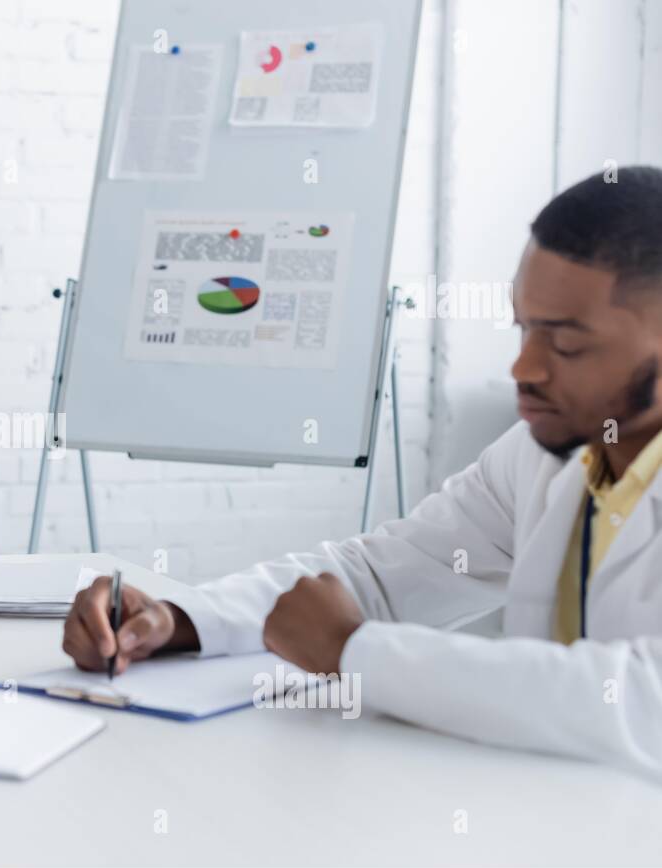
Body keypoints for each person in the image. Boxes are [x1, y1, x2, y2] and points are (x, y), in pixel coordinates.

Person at [61, 166, 662, 781]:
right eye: (523, 328)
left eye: (565, 345)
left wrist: (357, 653)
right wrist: (179, 620)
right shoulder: (545, 454)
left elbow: (641, 700)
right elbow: (376, 574)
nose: (523, 367)